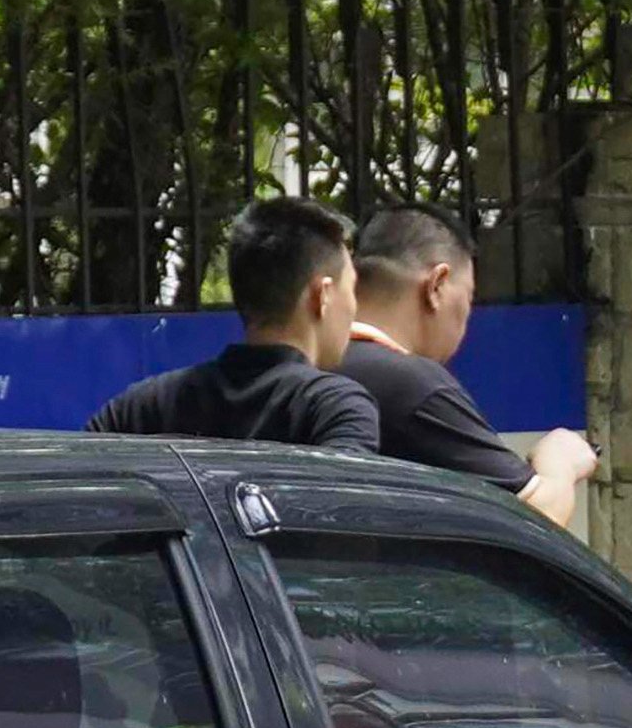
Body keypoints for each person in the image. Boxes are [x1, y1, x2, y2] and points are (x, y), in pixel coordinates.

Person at [340, 206, 602, 525]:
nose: (466, 322)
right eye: (468, 299)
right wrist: (560, 464)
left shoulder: (301, 366)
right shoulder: (413, 386)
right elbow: (533, 521)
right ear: (437, 286)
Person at [87, 195, 380, 448]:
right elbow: (345, 510)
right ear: (322, 295)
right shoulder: (335, 410)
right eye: (351, 289)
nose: (354, 307)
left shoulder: (141, 407)